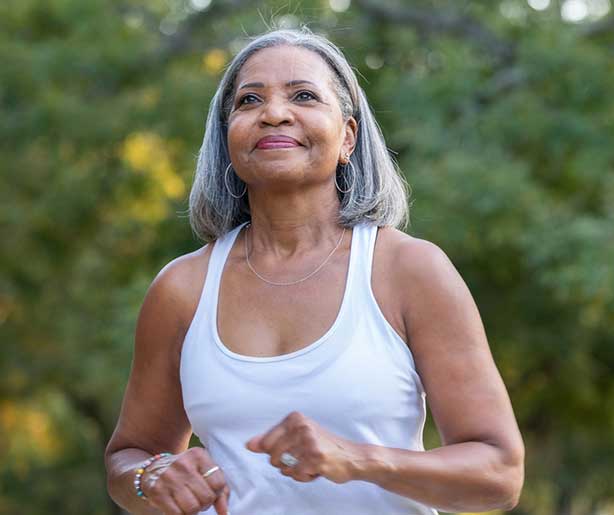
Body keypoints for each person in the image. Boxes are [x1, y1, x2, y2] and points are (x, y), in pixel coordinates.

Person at [104, 27, 525, 515]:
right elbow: (127, 457)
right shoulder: (182, 288)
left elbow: (499, 475)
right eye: (249, 101)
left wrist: (360, 459)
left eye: (303, 95)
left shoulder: (408, 270)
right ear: (228, 138)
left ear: (347, 136)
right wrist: (151, 478)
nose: (274, 113)